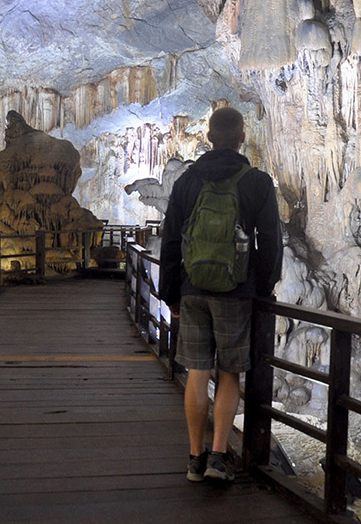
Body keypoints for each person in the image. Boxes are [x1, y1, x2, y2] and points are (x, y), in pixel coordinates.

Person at [159, 106, 282, 483]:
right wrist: (261, 289)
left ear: (208, 137)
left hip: (193, 289)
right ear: (242, 137)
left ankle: (194, 458)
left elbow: (172, 239)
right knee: (229, 373)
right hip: (236, 292)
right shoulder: (257, 182)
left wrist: (170, 293)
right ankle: (218, 456)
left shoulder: (187, 181)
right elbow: (271, 243)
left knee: (198, 372)